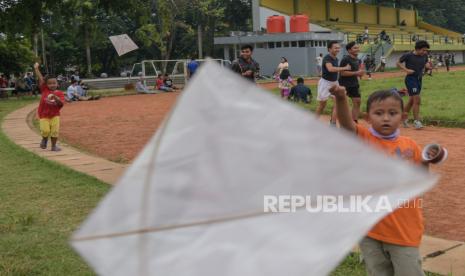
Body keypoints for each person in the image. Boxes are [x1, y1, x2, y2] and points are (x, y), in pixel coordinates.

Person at [329, 86, 437, 276]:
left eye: (392, 113)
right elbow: (346, 124)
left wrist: (426, 161)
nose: (386, 118)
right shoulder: (363, 138)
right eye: (379, 113)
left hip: (403, 230)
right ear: (368, 118)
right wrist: (340, 98)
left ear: (403, 117)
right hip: (370, 230)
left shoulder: (410, 146)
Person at [315, 40, 351, 126]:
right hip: (325, 83)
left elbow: (334, 70)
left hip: (335, 83)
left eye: (338, 48)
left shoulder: (336, 58)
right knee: (322, 105)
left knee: (337, 102)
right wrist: (345, 68)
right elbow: (330, 69)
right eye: (335, 48)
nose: (337, 49)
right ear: (329, 49)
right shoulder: (327, 58)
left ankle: (333, 123)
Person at [397, 40, 431, 129]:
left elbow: (426, 62)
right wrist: (406, 70)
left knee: (412, 100)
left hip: (419, 79)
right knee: (417, 99)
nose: (425, 52)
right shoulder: (408, 55)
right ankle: (417, 122)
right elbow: (398, 63)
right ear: (417, 49)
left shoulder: (424, 55)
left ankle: (403, 118)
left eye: (426, 50)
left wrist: (428, 66)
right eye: (423, 50)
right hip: (410, 79)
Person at [33, 62, 65, 151]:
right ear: (46, 85)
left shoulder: (60, 93)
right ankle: (44, 139)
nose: (52, 85)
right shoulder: (45, 90)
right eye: (50, 83)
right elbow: (41, 78)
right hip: (44, 115)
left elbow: (61, 104)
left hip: (55, 115)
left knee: (55, 131)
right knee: (45, 131)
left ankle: (54, 146)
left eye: (54, 83)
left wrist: (55, 97)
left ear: (57, 83)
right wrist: (36, 69)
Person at [339, 42, 365, 123]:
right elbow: (342, 73)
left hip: (354, 84)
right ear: (349, 50)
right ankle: (341, 122)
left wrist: (360, 75)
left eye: (358, 48)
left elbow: (357, 72)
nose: (357, 49)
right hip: (344, 84)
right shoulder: (345, 59)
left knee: (357, 102)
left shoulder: (358, 59)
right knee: (343, 105)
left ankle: (354, 122)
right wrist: (356, 73)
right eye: (355, 48)